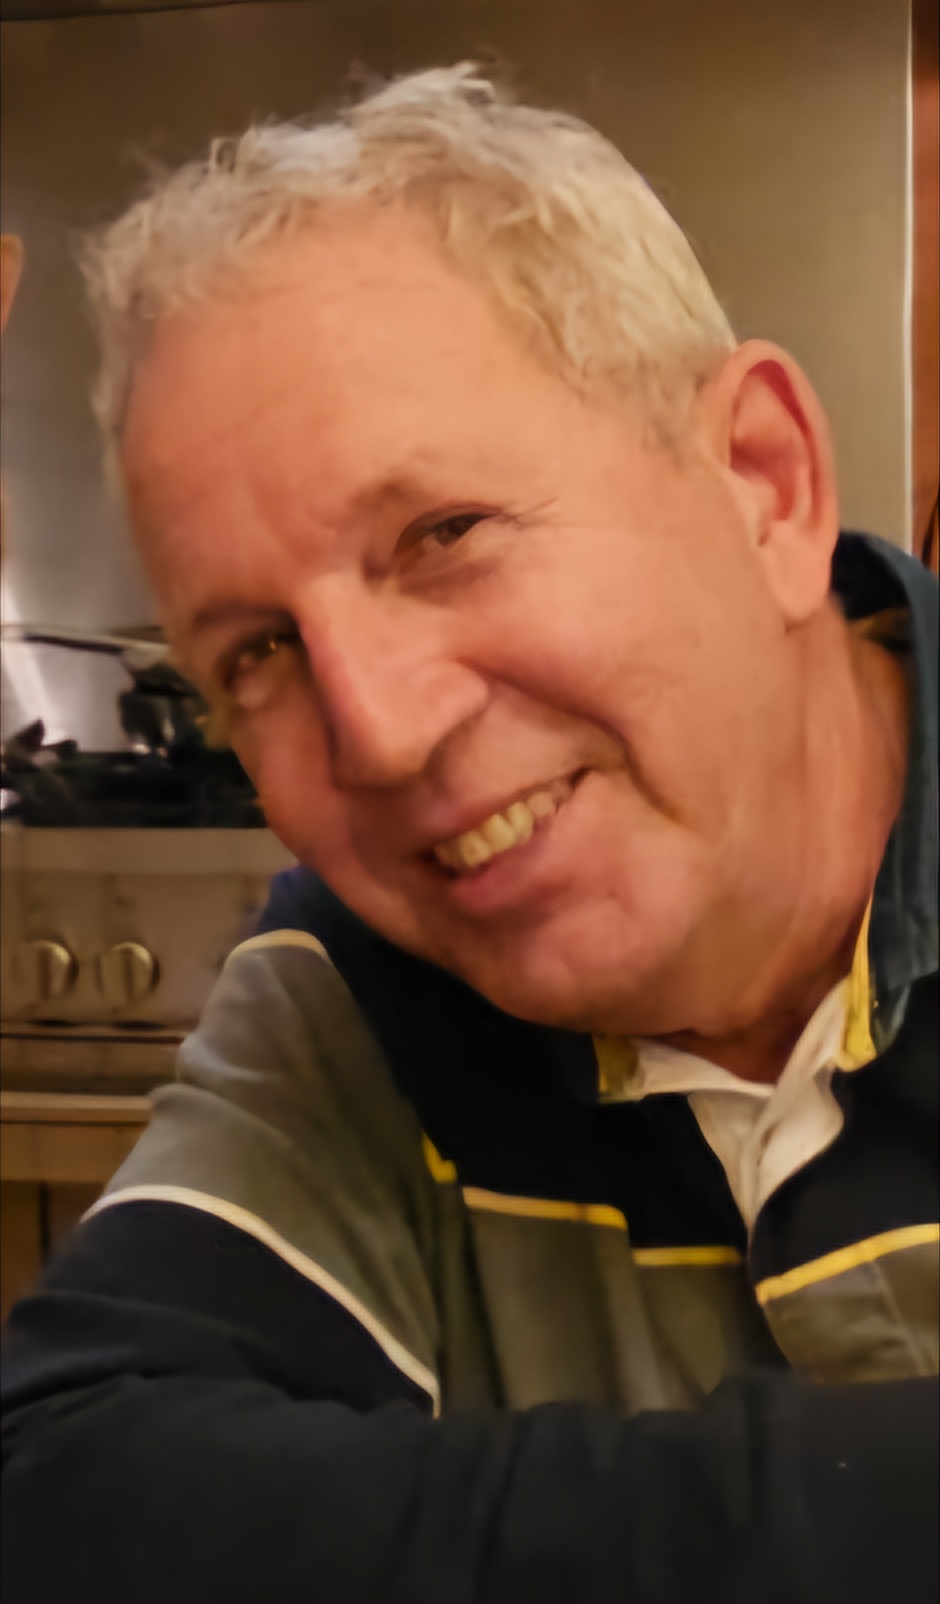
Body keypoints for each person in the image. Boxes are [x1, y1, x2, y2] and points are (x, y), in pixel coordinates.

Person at [2, 66, 937, 1604]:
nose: (377, 733)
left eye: (444, 535)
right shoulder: (362, 985)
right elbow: (59, 1488)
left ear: (764, 486)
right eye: (258, 653)